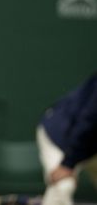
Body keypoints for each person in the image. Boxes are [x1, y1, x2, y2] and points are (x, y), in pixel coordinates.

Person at [37, 73, 97, 205]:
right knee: (64, 185)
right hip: (62, 136)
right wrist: (67, 164)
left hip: (91, 145)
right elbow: (87, 124)